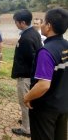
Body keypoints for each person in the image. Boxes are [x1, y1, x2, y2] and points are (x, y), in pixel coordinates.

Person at [24, 8, 68, 140]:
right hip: (64, 105)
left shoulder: (46, 51)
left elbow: (43, 85)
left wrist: (27, 97)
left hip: (46, 109)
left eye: (44, 22)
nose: (41, 25)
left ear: (48, 26)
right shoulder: (66, 45)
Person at [11, 9, 42, 137]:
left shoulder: (26, 38)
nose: (15, 24)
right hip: (31, 76)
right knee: (30, 101)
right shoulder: (33, 32)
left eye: (16, 22)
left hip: (26, 76)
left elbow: (32, 59)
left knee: (25, 101)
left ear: (22, 22)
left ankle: (26, 129)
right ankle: (27, 120)